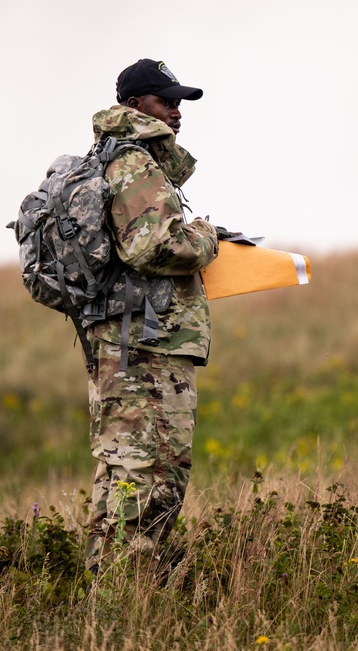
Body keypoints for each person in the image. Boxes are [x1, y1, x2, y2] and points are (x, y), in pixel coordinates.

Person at [84, 59, 220, 574]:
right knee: (156, 474)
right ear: (136, 105)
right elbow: (155, 247)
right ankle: (134, 591)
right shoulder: (134, 162)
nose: (177, 111)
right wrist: (206, 237)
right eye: (167, 101)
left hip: (124, 343)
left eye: (179, 102)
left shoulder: (110, 157)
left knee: (121, 472)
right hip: (147, 349)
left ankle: (107, 591)